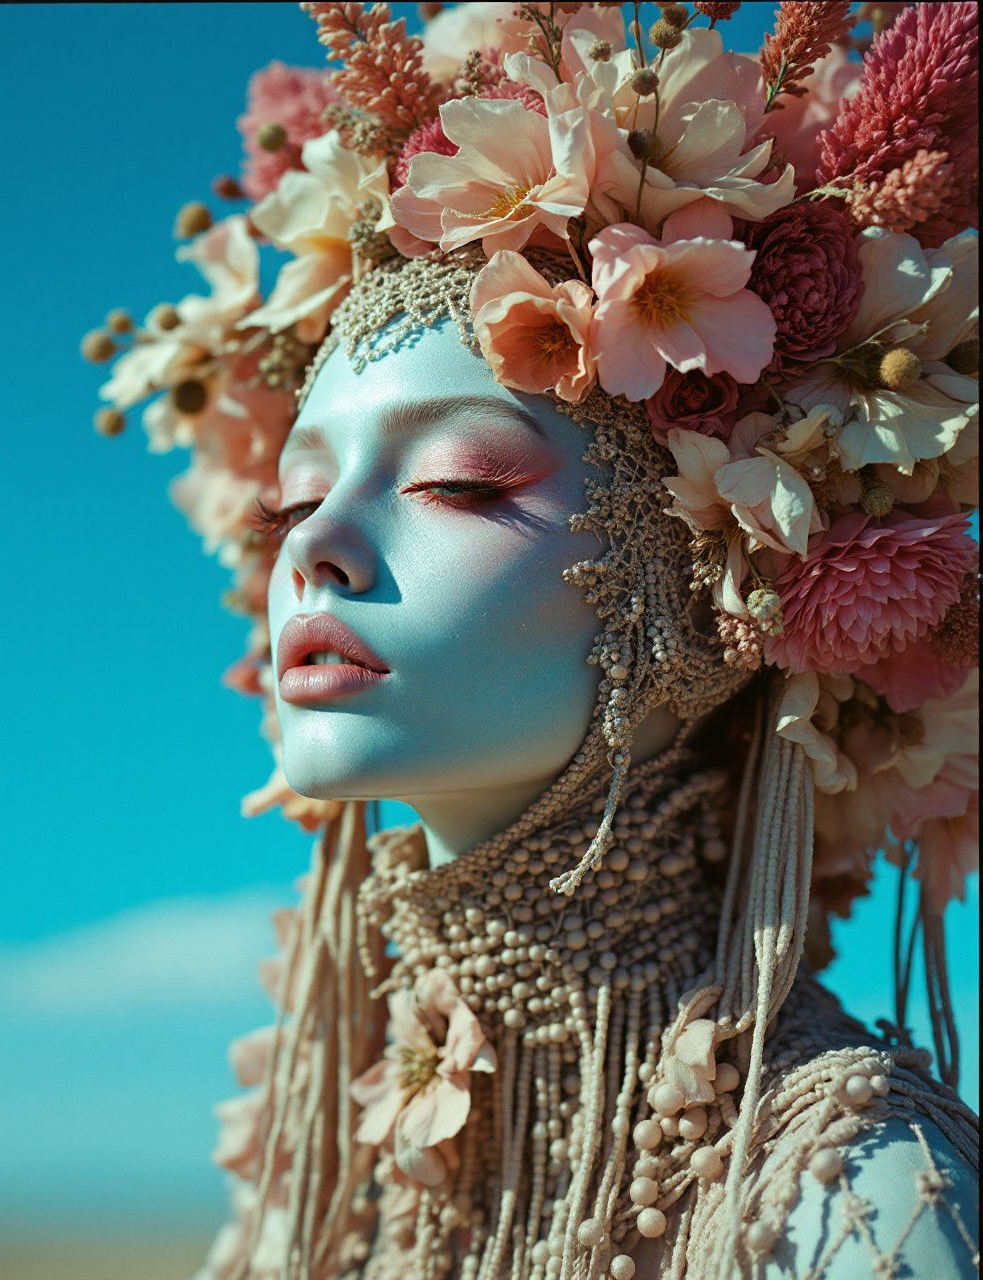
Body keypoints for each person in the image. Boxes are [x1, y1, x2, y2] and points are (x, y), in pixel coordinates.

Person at [82, 4, 980, 1277]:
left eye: (458, 479)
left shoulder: (851, 1193)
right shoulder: (332, 1154)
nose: (312, 546)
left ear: (719, 575)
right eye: (292, 497)